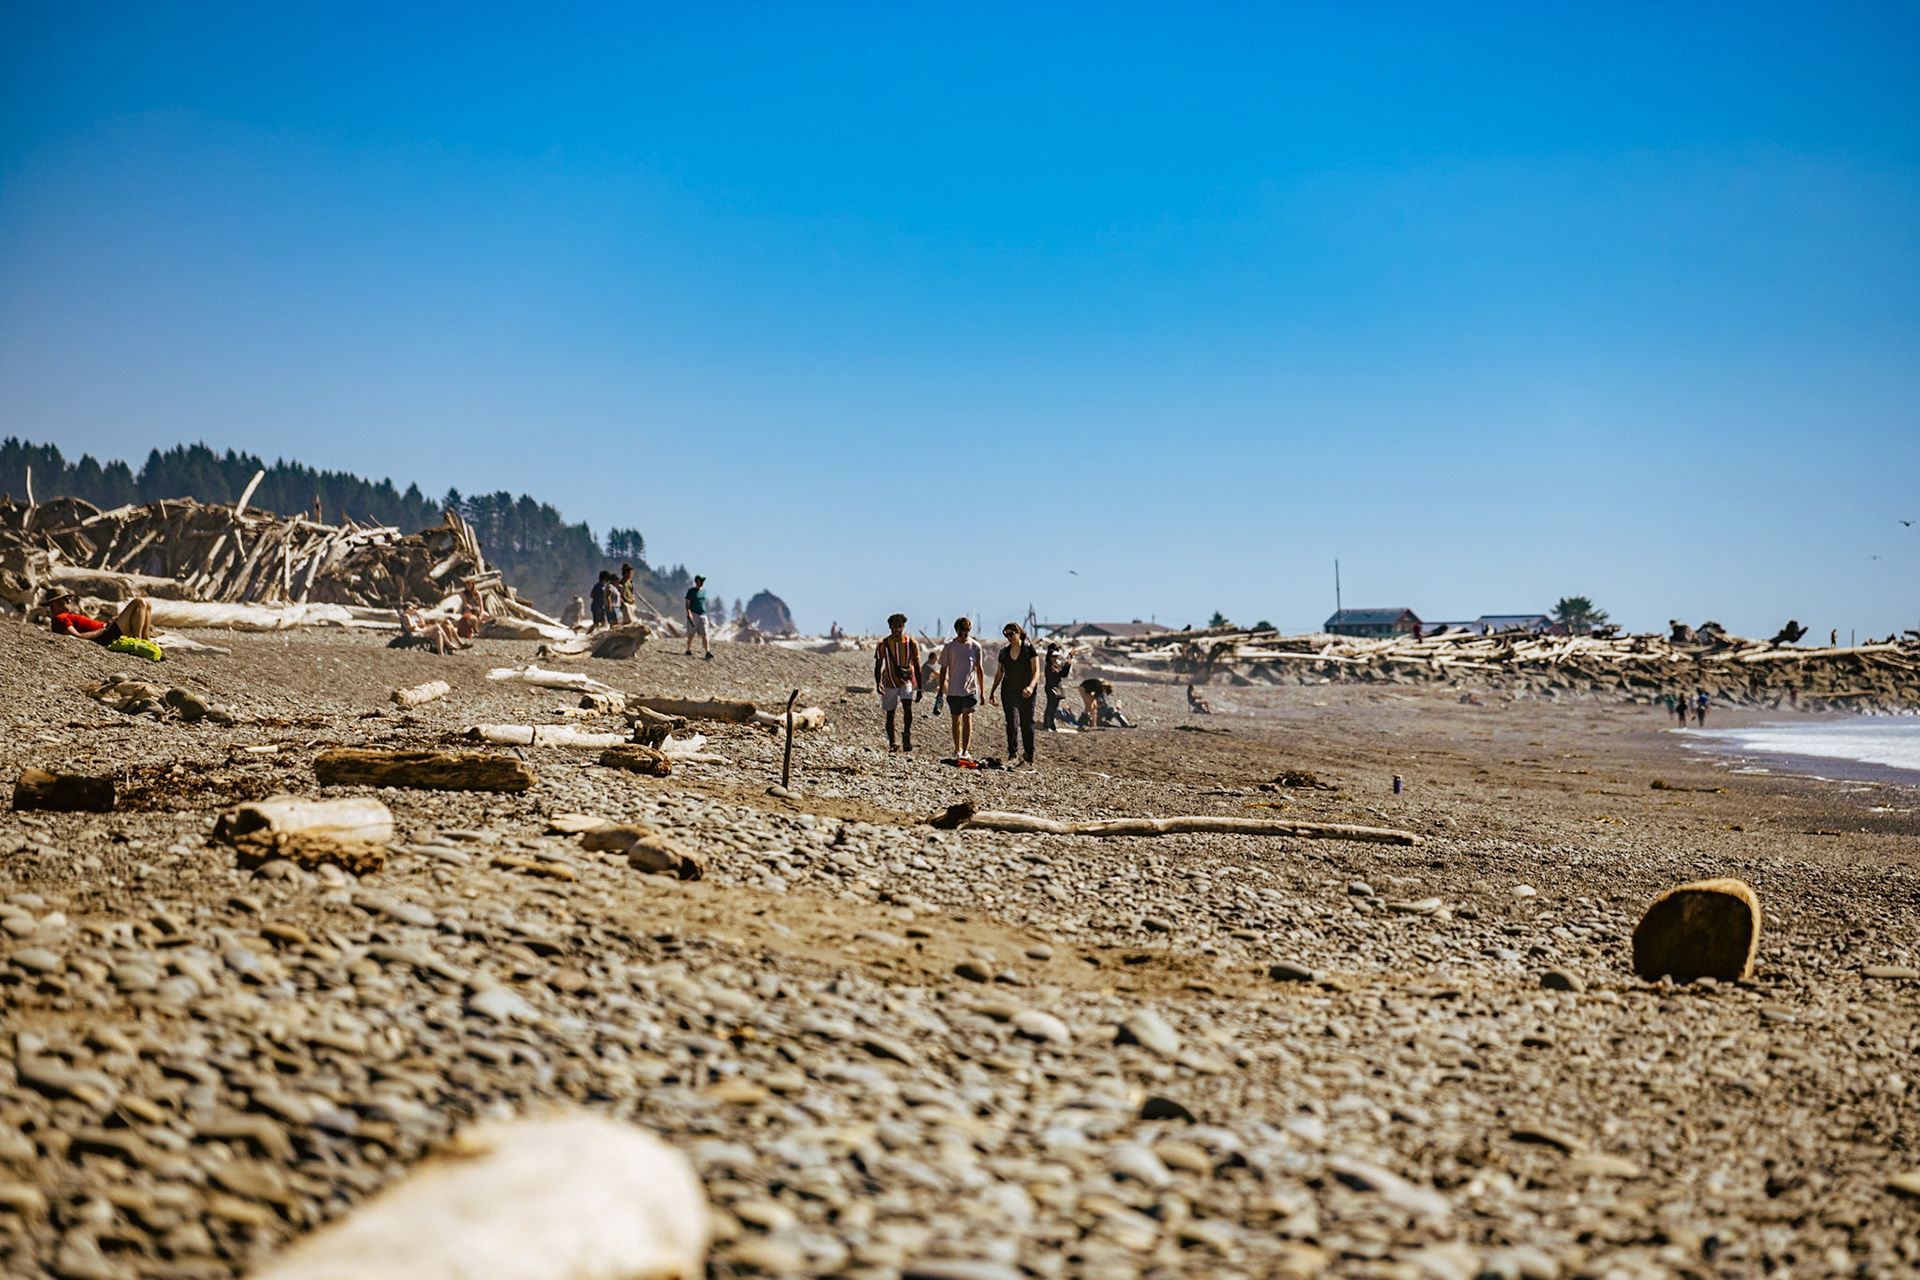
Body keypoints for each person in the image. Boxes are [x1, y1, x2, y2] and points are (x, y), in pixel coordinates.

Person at [989, 622, 1040, 765]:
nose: (1009, 637)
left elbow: (1036, 671)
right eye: (1006, 635)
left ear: (1018, 633)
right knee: (1012, 721)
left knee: (1027, 722)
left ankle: (1029, 753)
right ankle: (1013, 753)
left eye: (1011, 634)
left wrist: (1030, 686)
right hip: (1009, 690)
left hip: (1026, 691)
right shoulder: (1003, 652)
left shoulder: (1029, 649)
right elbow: (999, 673)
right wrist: (992, 691)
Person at [936, 618, 986, 759]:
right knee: (955, 719)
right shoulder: (949, 647)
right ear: (956, 631)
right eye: (960, 634)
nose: (963, 637)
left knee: (967, 716)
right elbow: (943, 668)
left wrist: (982, 692)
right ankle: (957, 748)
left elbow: (979, 669)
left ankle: (966, 750)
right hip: (953, 689)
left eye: (966, 634)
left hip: (970, 689)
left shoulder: (975, 647)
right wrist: (940, 690)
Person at [873, 613, 922, 753]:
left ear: (903, 626)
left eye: (900, 626)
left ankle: (906, 737)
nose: (897, 630)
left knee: (908, 707)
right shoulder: (883, 644)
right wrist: (878, 683)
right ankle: (892, 742)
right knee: (890, 713)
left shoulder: (911, 644)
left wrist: (920, 688)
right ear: (890, 627)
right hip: (889, 681)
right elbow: (878, 665)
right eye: (895, 627)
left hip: (906, 680)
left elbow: (917, 666)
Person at [45, 590, 153, 647]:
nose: (69, 601)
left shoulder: (65, 617)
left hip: (107, 632)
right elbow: (77, 637)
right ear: (56, 602)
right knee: (139, 602)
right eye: (66, 599)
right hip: (105, 635)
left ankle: (146, 641)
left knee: (147, 605)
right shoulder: (59, 618)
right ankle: (138, 640)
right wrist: (104, 629)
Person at [1042, 643, 1072, 730]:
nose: (1055, 658)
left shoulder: (1054, 664)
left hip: (1055, 688)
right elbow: (1060, 673)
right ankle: (1047, 725)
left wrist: (1069, 658)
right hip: (1052, 688)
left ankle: (1051, 725)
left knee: (1053, 708)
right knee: (1050, 707)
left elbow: (1063, 671)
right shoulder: (1050, 666)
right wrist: (1067, 663)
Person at [685, 575, 711, 659]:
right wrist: (689, 612)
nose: (702, 582)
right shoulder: (691, 591)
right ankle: (688, 649)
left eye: (703, 581)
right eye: (701, 581)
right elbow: (687, 602)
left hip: (703, 614)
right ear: (696, 581)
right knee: (691, 633)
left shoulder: (704, 591)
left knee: (705, 633)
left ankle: (707, 651)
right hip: (694, 614)